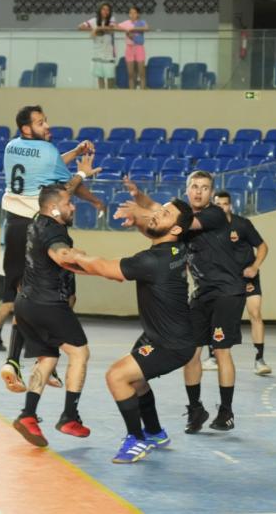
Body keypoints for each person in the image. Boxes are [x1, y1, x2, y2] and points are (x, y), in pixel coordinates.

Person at [117, 171, 245, 433]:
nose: (199, 192)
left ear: (211, 193)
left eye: (205, 188)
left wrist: (140, 209)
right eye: (194, 187)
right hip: (201, 292)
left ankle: (226, 411)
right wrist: (138, 203)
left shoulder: (213, 215)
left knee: (221, 350)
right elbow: (162, 224)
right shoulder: (179, 221)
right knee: (191, 350)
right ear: (187, 189)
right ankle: (195, 408)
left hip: (227, 292)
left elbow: (171, 218)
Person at [72, 198, 197, 463]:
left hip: (171, 345)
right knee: (136, 380)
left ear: (175, 229)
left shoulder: (152, 261)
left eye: (164, 215)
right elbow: (152, 232)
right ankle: (154, 432)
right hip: (164, 335)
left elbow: (105, 268)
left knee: (117, 376)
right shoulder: (177, 250)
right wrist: (141, 219)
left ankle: (136, 441)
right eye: (159, 209)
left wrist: (72, 258)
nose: (156, 215)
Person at [0, 105, 104, 391]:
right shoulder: (47, 152)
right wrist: (81, 173)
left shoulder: (12, 146)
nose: (47, 125)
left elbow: (46, 162)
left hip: (13, 225)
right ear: (26, 128)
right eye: (41, 122)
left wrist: (72, 153)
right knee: (63, 295)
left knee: (24, 295)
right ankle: (47, 359)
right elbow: (63, 189)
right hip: (39, 229)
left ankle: (13, 360)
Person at [10, 184, 92, 447]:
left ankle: (28, 415)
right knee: (79, 353)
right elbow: (61, 254)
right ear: (54, 208)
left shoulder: (37, 221)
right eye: (69, 203)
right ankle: (70, 415)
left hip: (25, 303)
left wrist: (80, 177)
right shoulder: (55, 231)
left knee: (48, 357)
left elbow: (55, 192)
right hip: (48, 304)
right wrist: (95, 265)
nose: (73, 206)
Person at [212, 190, 272, 375]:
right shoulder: (210, 228)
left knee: (255, 312)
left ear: (230, 205)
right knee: (216, 315)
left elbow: (262, 246)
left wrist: (254, 266)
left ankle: (259, 359)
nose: (222, 207)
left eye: (225, 204)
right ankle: (213, 355)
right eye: (218, 204)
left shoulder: (242, 224)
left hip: (247, 276)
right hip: (224, 278)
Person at [78, 2, 117, 89]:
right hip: (98, 50)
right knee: (100, 75)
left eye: (108, 10)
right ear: (99, 10)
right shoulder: (93, 20)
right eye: (103, 9)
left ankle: (111, 94)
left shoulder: (112, 19)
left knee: (110, 75)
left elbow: (111, 29)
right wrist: (93, 29)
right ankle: (101, 95)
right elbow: (80, 27)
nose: (106, 11)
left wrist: (98, 28)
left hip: (109, 51)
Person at [117, 6, 149, 90]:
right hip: (129, 48)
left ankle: (142, 91)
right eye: (130, 13)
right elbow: (116, 26)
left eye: (134, 12)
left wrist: (133, 28)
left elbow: (146, 28)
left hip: (139, 48)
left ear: (138, 14)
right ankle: (131, 92)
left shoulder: (141, 22)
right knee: (130, 73)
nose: (132, 14)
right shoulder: (126, 23)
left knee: (141, 72)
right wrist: (125, 30)